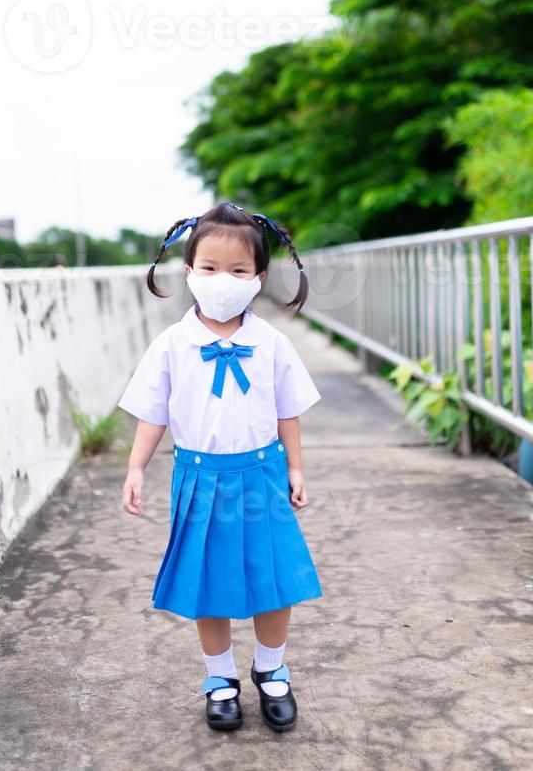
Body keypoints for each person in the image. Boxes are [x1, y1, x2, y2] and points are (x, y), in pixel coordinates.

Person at [118, 201, 323, 733]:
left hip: (262, 474)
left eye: (238, 270)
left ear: (259, 278)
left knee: (274, 579)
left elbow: (287, 411)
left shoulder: (272, 344)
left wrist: (295, 468)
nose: (222, 281)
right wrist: (136, 468)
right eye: (209, 268)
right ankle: (219, 678)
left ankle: (272, 669)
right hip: (200, 477)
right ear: (188, 272)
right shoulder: (171, 346)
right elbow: (152, 414)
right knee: (209, 581)